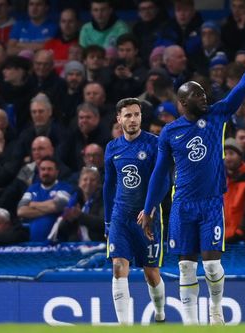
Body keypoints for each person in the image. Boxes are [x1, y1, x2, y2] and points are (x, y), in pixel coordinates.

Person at [138, 26, 245, 325]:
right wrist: (148, 209)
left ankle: (215, 309)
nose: (205, 97)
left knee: (212, 268)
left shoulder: (217, 115)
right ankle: (190, 322)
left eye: (204, 93)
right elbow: (160, 174)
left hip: (212, 203)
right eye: (198, 95)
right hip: (182, 206)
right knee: (186, 268)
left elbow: (241, 87)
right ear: (184, 102)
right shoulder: (170, 133)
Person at [103, 98, 165, 324]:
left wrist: (149, 210)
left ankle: (160, 315)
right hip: (121, 217)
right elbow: (108, 186)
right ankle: (125, 326)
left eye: (136, 114)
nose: (133, 119)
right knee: (119, 266)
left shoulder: (154, 144)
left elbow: (163, 181)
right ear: (119, 119)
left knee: (151, 273)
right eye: (128, 115)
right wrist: (108, 222)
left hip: (147, 218)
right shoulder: (112, 148)